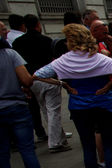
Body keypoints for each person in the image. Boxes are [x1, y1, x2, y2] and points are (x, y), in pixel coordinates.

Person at [33, 24, 112, 168]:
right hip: (103, 104)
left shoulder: (63, 61)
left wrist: (63, 84)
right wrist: (110, 84)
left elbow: (37, 74)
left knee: (88, 147)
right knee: (109, 145)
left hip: (79, 105)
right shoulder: (100, 59)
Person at [0, 36, 61, 168]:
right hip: (15, 106)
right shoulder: (10, 54)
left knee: (2, 153)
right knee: (26, 149)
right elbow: (26, 79)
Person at [13, 14, 71, 153]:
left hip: (31, 79)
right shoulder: (45, 40)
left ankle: (58, 137)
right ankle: (56, 141)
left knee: (45, 108)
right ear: (38, 25)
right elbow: (54, 59)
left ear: (25, 26)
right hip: (48, 78)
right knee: (53, 110)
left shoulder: (18, 43)